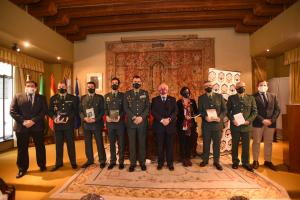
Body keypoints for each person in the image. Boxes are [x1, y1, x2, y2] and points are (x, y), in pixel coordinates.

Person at [10, 80, 48, 178]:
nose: (30, 87)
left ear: (35, 88)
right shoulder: (17, 96)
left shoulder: (42, 98)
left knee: (40, 147)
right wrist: (24, 122)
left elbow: (44, 111)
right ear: (25, 87)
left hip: (37, 126)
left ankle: (42, 165)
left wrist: (33, 121)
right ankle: (22, 169)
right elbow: (12, 111)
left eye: (32, 86)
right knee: (22, 148)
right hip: (21, 127)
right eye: (28, 86)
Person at [227, 82, 257, 172]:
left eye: (242, 86)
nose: (241, 88)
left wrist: (249, 121)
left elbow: (254, 112)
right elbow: (228, 111)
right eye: (239, 87)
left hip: (247, 126)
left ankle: (246, 163)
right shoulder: (231, 98)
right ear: (235, 88)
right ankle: (235, 162)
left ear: (245, 87)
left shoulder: (251, 98)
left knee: (246, 145)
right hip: (235, 126)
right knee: (235, 145)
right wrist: (233, 120)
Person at [48, 81, 78, 171]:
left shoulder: (72, 98)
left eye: (63, 86)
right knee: (58, 145)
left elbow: (76, 110)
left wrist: (69, 117)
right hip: (57, 125)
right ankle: (58, 163)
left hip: (68, 125)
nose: (61, 88)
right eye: (59, 86)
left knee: (70, 145)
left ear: (66, 87)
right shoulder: (53, 98)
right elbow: (50, 111)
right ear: (57, 87)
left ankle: (73, 163)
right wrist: (54, 118)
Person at [198, 81, 227, 171]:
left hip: (217, 125)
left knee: (217, 144)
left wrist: (220, 117)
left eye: (209, 85)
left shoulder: (219, 96)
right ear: (204, 88)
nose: (208, 87)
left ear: (213, 86)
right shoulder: (201, 98)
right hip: (206, 125)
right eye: (206, 86)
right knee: (206, 144)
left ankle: (216, 162)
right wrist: (205, 116)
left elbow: (224, 110)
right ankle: (205, 160)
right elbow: (199, 111)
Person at [252, 80, 280, 171]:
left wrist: (271, 120)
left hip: (270, 123)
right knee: (256, 142)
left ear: (267, 87)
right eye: (260, 85)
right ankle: (255, 161)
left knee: (268, 143)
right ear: (257, 87)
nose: (262, 86)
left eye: (264, 85)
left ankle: (268, 161)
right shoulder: (253, 97)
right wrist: (262, 120)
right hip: (258, 123)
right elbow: (253, 111)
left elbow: (277, 109)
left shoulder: (273, 96)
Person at [124, 76, 150, 172]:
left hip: (142, 123)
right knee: (132, 144)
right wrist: (134, 117)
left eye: (138, 81)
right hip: (131, 123)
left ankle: (142, 163)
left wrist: (141, 117)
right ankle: (133, 163)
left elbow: (147, 107)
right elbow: (126, 107)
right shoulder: (127, 94)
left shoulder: (145, 93)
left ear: (141, 83)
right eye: (135, 81)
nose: (137, 83)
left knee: (142, 143)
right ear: (132, 82)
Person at [79, 82, 106, 169]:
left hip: (96, 124)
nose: (90, 88)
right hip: (86, 124)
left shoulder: (100, 98)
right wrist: (84, 118)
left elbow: (102, 111)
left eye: (92, 87)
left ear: (95, 88)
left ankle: (102, 160)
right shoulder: (83, 98)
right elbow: (80, 111)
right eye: (89, 87)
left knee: (99, 143)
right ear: (87, 88)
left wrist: (95, 119)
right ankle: (89, 160)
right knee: (88, 144)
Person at [151, 83, 178, 171]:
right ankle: (160, 163)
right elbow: (153, 112)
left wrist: (169, 119)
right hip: (159, 126)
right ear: (158, 90)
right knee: (160, 146)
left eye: (165, 88)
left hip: (170, 126)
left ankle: (170, 163)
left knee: (170, 146)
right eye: (161, 88)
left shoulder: (173, 99)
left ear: (168, 89)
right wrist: (162, 120)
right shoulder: (155, 100)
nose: (163, 89)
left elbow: (176, 111)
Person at [104, 78, 125, 170]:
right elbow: (105, 109)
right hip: (110, 123)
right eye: (113, 83)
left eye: (116, 83)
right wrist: (107, 116)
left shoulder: (123, 96)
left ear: (119, 85)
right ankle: (112, 161)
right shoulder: (106, 96)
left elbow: (125, 109)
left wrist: (120, 116)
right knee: (112, 143)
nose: (114, 85)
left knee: (121, 143)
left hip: (119, 123)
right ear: (111, 84)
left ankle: (121, 161)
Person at [176, 87, 198, 167]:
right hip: (182, 124)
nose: (187, 93)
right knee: (183, 141)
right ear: (182, 93)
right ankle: (184, 158)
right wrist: (184, 116)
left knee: (189, 141)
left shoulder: (192, 101)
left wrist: (193, 115)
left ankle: (188, 157)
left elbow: (196, 111)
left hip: (191, 124)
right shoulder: (178, 102)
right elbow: (177, 113)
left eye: (188, 92)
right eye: (185, 92)